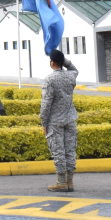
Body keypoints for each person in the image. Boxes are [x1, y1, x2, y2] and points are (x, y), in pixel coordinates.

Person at [41, 48, 79, 193]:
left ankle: (61, 182)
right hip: (70, 118)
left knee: (58, 151)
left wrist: (44, 123)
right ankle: (70, 182)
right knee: (70, 150)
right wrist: (65, 61)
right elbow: (74, 68)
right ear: (62, 62)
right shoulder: (71, 76)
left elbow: (46, 104)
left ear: (51, 63)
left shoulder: (50, 79)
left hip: (55, 121)